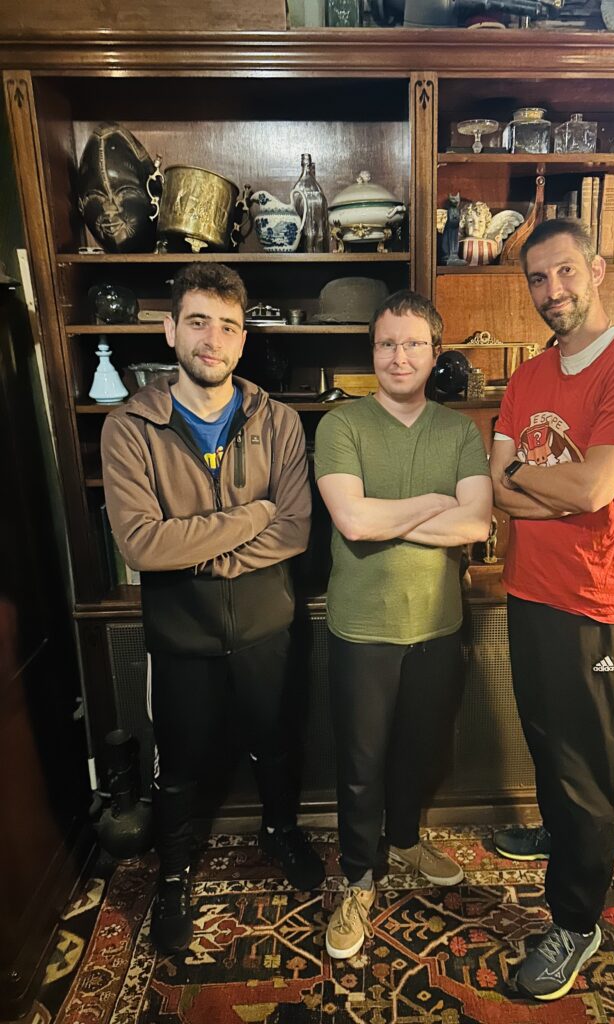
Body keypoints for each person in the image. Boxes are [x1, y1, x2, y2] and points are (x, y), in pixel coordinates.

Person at [101, 263, 324, 955]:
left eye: (228, 326)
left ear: (243, 340)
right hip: (180, 635)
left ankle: (280, 832)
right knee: (179, 763)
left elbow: (295, 529)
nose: (213, 339)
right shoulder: (129, 426)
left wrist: (196, 550)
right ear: (170, 330)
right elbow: (142, 543)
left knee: (276, 742)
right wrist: (250, 516)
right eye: (198, 322)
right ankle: (173, 874)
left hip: (267, 626)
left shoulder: (278, 420)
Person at [489, 219, 614, 1000]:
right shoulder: (528, 375)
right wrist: (544, 488)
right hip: (528, 587)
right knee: (544, 735)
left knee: (587, 768)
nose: (552, 290)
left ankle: (575, 920)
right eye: (538, 278)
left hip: (594, 598)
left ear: (597, 268)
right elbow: (498, 488)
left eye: (564, 271)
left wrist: (529, 479)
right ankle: (560, 834)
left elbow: (596, 489)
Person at [314, 289, 492, 960]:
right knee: (361, 764)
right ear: (373, 352)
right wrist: (434, 503)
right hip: (363, 629)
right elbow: (353, 522)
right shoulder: (342, 426)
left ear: (435, 352)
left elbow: (477, 524)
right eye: (387, 343)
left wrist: (392, 516)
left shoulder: (459, 432)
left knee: (420, 750)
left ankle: (408, 842)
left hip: (438, 626)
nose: (399, 356)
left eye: (413, 343)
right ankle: (359, 878)